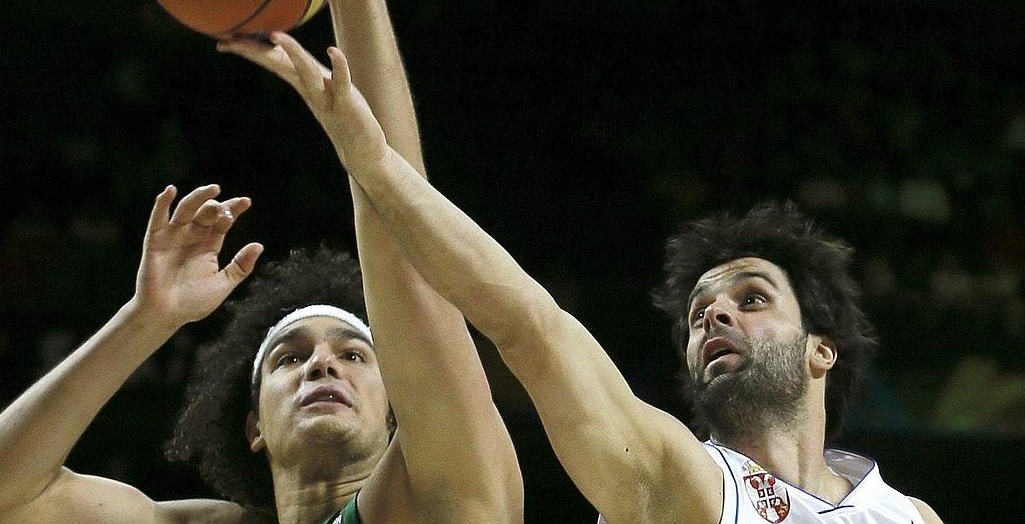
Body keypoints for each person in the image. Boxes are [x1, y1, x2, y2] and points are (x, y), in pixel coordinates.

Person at [0, 0, 522, 524]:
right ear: (252, 425)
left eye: (353, 354)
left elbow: (408, 250)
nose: (322, 364)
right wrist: (145, 321)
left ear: (399, 413)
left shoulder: (446, 497)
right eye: (289, 358)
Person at [229, 31, 947, 524]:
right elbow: (529, 327)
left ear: (822, 349)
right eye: (698, 313)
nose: (714, 318)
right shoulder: (680, 478)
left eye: (750, 299)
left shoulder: (906, 513)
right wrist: (376, 165)